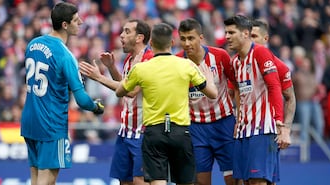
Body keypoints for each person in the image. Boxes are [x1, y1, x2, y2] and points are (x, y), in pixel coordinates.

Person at [115, 22, 218, 185]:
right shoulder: (186, 65)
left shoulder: (141, 68)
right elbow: (212, 94)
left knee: (157, 181)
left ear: (151, 43)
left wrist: (127, 74)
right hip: (180, 131)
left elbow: (120, 91)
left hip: (154, 132)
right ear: (172, 43)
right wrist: (210, 81)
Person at [20, 2, 103, 185]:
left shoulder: (33, 44)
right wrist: (96, 107)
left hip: (29, 119)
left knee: (35, 177)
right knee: (47, 180)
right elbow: (81, 100)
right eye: (76, 20)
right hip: (51, 123)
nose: (80, 22)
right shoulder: (66, 56)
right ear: (65, 25)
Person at [79, 19, 153, 185]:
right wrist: (112, 68)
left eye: (127, 32)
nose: (121, 35)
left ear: (140, 37)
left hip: (143, 132)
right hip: (125, 130)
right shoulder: (129, 59)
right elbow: (123, 88)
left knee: (140, 180)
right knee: (124, 180)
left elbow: (132, 91)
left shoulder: (149, 60)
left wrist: (99, 77)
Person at [176, 18, 239, 185]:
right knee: (201, 181)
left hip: (224, 124)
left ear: (201, 37)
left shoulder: (219, 56)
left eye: (191, 38)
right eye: (183, 39)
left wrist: (239, 118)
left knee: (233, 179)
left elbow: (236, 84)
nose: (187, 43)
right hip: (196, 128)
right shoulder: (176, 62)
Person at [224, 15, 284, 185]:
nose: (227, 36)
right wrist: (238, 118)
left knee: (259, 181)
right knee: (246, 182)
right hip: (243, 130)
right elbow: (236, 89)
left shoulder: (260, 52)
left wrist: (279, 122)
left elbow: (274, 86)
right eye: (226, 32)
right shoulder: (235, 62)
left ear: (245, 33)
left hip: (262, 129)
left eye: (231, 32)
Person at [251, 19, 296, 149]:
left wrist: (286, 129)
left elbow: (290, 97)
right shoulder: (237, 61)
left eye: (254, 36)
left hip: (266, 130)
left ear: (265, 39)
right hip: (243, 130)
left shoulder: (280, 66)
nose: (251, 41)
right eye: (249, 36)